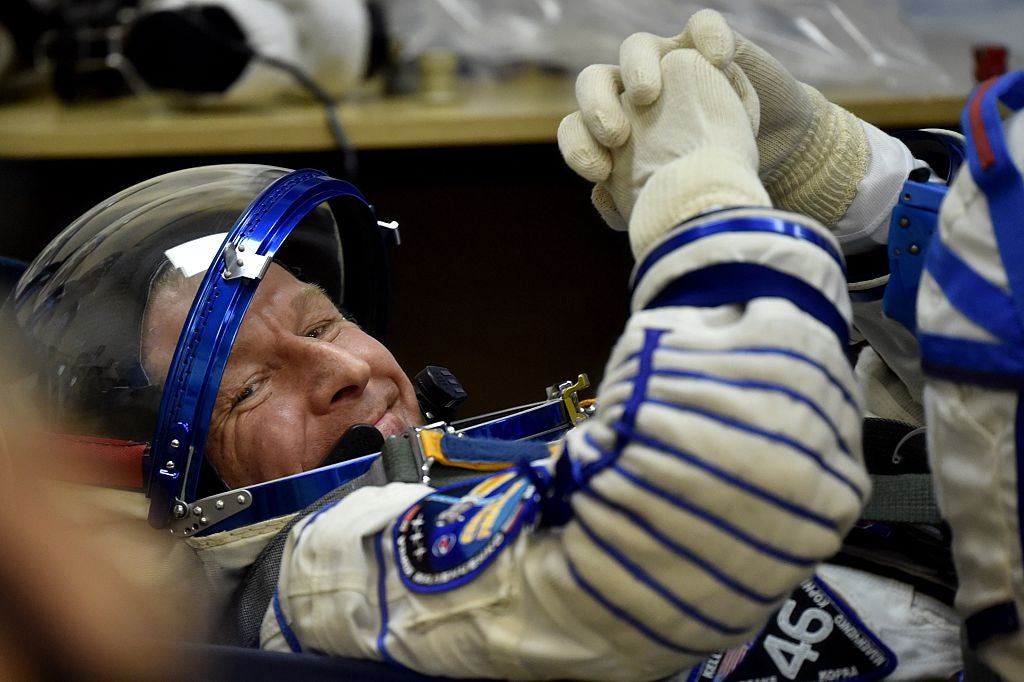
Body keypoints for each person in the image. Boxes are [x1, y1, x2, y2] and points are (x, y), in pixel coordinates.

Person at [6, 7, 1012, 681]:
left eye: (320, 323)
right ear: (169, 485)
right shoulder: (311, 572)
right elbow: (730, 490)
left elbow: (935, 426)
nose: (348, 369)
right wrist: (702, 214)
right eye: (248, 386)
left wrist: (862, 199)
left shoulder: (470, 474)